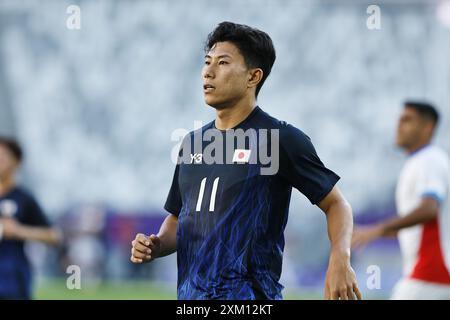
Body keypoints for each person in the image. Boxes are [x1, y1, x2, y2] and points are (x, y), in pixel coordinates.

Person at [131, 21, 361, 300]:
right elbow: (181, 217)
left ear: (253, 77)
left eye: (223, 63)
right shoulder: (191, 143)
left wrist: (340, 258)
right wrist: (156, 244)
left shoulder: (278, 139)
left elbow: (336, 204)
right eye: (207, 62)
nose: (209, 71)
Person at [352, 101, 450, 299]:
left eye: (407, 120)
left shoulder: (429, 160)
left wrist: (379, 228)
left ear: (427, 127)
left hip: (432, 271)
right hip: (429, 272)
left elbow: (430, 209)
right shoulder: (421, 161)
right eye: (399, 119)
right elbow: (418, 227)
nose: (399, 125)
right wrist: (374, 233)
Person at [0, 137, 61, 299]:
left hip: (12, 277)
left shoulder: (23, 199)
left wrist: (19, 231)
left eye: (3, 156)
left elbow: (53, 235)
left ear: (16, 162)